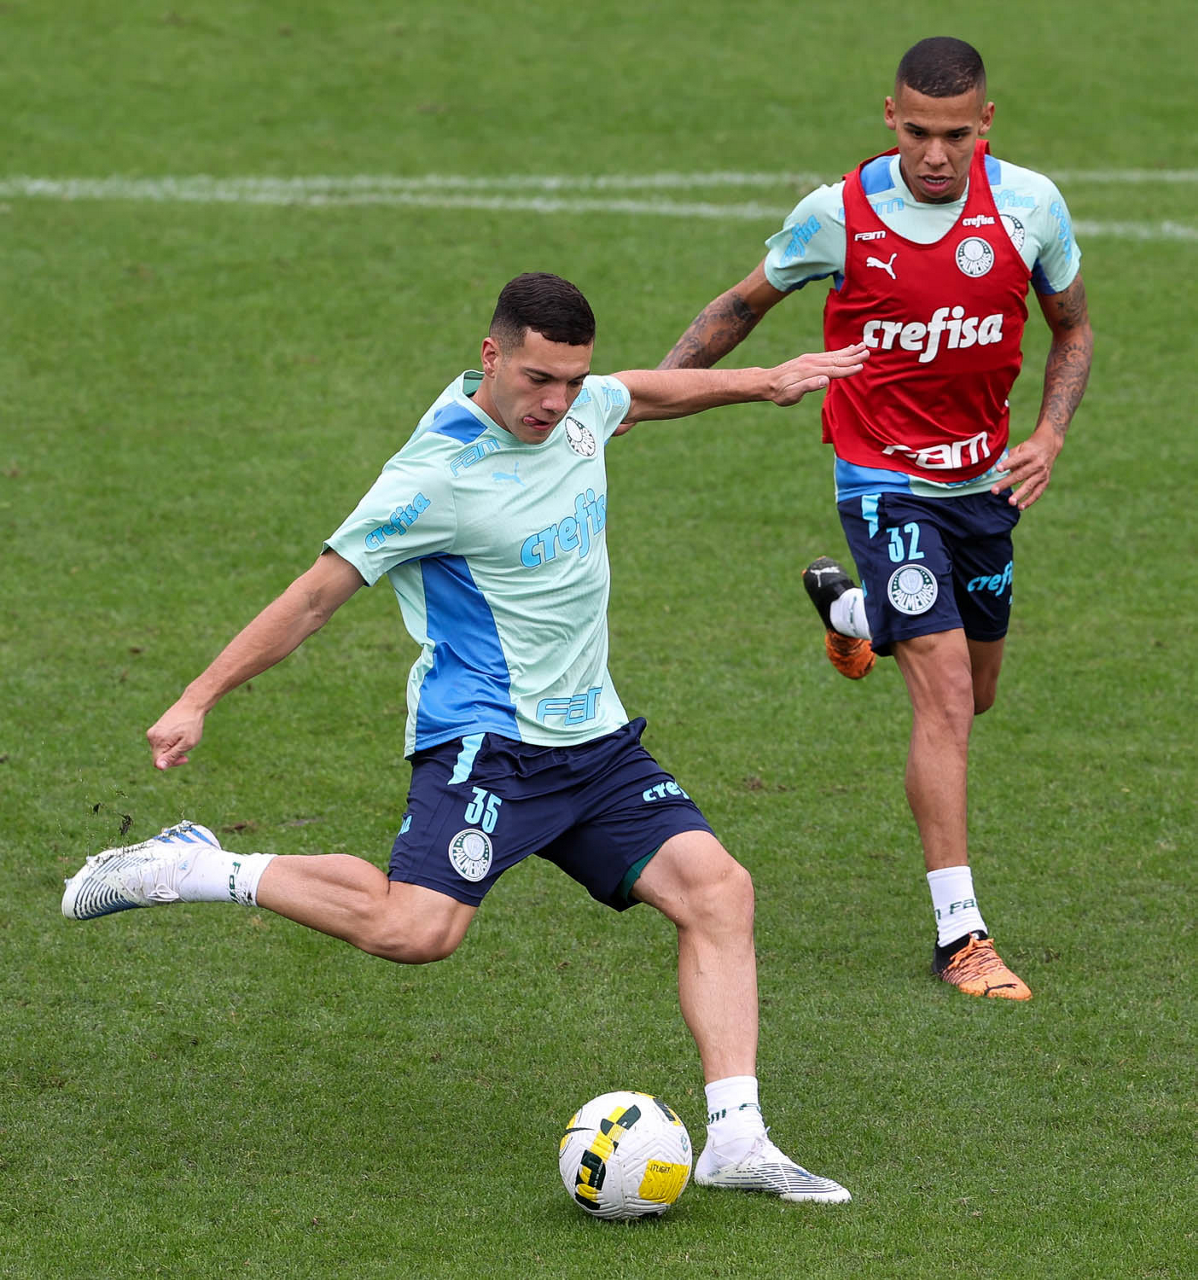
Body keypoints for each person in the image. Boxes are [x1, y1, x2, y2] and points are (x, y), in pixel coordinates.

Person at [63, 272, 868, 1203]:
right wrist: (198, 696)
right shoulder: (433, 476)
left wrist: (764, 380)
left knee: (719, 891)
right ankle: (196, 866)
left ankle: (737, 1142)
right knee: (415, 931)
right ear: (492, 356)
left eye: (571, 380)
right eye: (538, 379)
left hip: (596, 741)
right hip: (489, 741)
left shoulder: (580, 409)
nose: (556, 402)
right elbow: (315, 597)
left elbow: (640, 393)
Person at [657, 38, 1093, 1000]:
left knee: (979, 692)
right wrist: (645, 396)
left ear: (986, 124)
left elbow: (1073, 328)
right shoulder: (838, 215)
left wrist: (1051, 434)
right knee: (945, 700)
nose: (936, 155)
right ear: (889, 116)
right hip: (881, 479)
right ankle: (961, 935)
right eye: (918, 132)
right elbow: (742, 303)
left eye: (956, 135)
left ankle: (853, 614)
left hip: (984, 486)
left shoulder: (1031, 206)